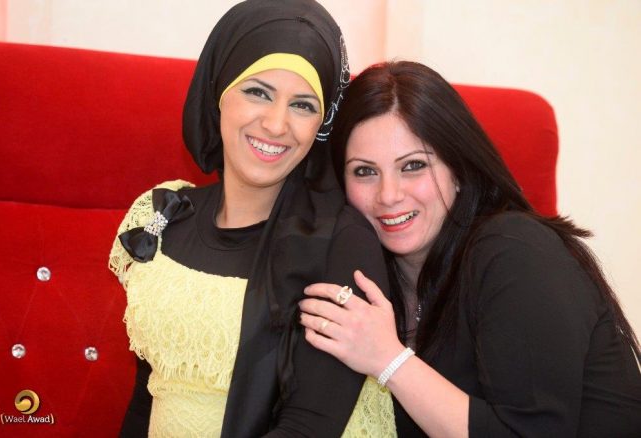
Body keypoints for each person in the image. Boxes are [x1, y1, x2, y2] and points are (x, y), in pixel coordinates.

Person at [299, 61, 641, 437]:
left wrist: (388, 359)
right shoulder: (372, 272)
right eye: (365, 171)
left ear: (458, 170)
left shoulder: (515, 252)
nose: (389, 195)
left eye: (413, 166)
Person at [108, 1, 396, 436]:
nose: (277, 125)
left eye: (303, 105)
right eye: (258, 92)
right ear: (219, 91)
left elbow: (310, 425)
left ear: (323, 123)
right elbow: (146, 396)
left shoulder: (342, 242)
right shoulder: (165, 213)